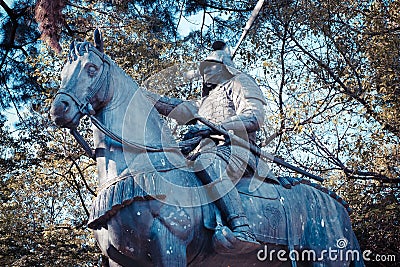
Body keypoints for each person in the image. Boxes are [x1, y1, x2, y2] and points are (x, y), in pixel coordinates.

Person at [146, 41, 267, 250]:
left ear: (223, 67)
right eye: (204, 69)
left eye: (210, 67)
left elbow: (254, 116)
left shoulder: (240, 82)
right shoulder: (204, 103)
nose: (205, 72)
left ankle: (242, 227)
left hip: (237, 149)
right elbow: (176, 107)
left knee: (207, 163)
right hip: (207, 152)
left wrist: (216, 127)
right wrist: (144, 96)